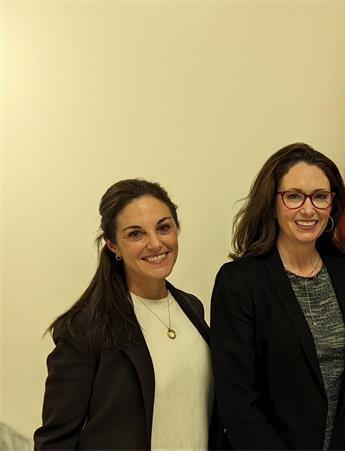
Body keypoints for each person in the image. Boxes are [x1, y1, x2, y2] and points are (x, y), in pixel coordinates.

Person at [210, 143, 345, 450]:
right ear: (272, 204)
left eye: (320, 197)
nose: (308, 209)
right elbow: (237, 402)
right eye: (293, 196)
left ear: (332, 204)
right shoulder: (239, 282)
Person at [34, 179, 218, 450]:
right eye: (136, 234)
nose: (155, 243)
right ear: (112, 245)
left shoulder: (191, 308)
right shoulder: (84, 328)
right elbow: (55, 441)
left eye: (163, 228)